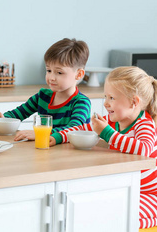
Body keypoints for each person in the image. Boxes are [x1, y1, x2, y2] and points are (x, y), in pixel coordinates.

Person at [51, 66, 157, 229]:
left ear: (134, 102)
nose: (106, 103)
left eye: (112, 98)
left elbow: (143, 150)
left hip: (149, 194)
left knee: (124, 214)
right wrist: (57, 137)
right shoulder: (114, 120)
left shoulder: (144, 124)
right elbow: (82, 128)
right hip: (129, 185)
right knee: (105, 210)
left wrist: (107, 132)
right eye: (105, 96)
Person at [0, 38, 91, 142]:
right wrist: (2, 121)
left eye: (59, 72)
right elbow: (17, 114)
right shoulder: (42, 96)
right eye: (49, 70)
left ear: (79, 74)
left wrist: (40, 133)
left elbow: (74, 129)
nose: (51, 77)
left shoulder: (81, 102)